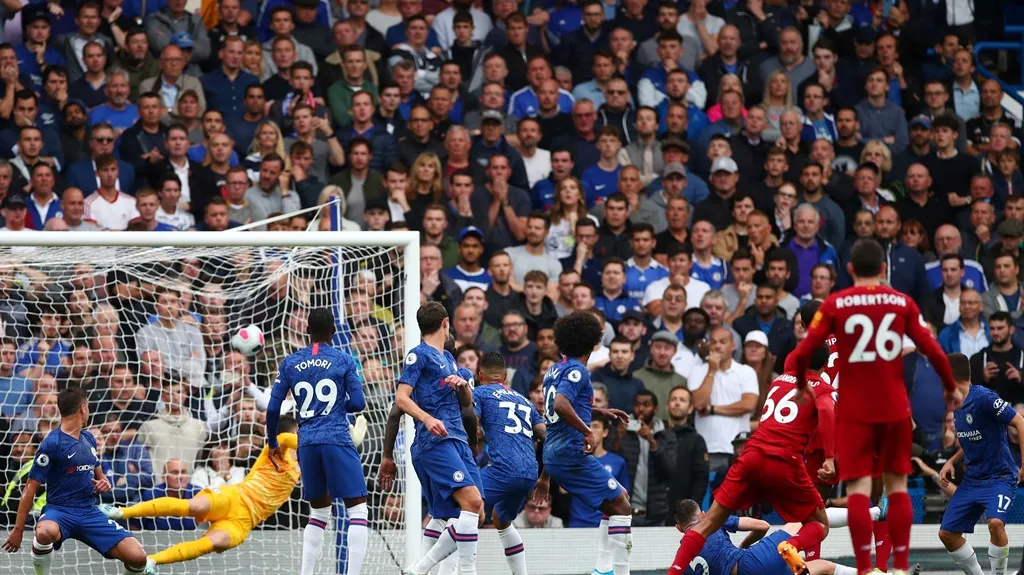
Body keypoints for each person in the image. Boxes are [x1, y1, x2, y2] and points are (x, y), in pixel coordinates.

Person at [788, 238, 961, 575]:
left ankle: (812, 564)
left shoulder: (836, 312)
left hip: (839, 420)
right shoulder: (899, 304)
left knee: (820, 502)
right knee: (888, 494)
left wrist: (797, 388)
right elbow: (929, 348)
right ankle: (889, 567)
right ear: (883, 269)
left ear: (850, 270)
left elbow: (802, 357)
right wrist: (950, 387)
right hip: (887, 414)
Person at [668, 344, 834, 575]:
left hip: (751, 454)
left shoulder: (779, 380)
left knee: (706, 526)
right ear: (825, 366)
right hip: (785, 459)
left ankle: (672, 572)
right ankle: (791, 546)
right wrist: (831, 457)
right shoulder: (823, 389)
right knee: (818, 524)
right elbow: (827, 412)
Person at [99, 416, 316, 571]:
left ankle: (152, 561)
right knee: (194, 507)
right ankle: (122, 512)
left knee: (214, 541)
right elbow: (286, 439)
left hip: (244, 522)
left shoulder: (302, 468)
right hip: (235, 498)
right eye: (301, 433)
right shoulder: (276, 451)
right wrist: (316, 442)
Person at [264, 308, 369, 575]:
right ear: (333, 331)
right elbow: (358, 403)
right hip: (336, 438)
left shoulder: (290, 362)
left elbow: (274, 408)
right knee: (357, 511)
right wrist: (336, 406)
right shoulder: (344, 360)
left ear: (307, 331)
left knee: (319, 512)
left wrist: (272, 441)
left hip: (307, 442)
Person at [1, 387, 149, 575]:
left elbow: (99, 473)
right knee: (45, 532)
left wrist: (104, 482)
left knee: (138, 558)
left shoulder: (88, 438)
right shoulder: (52, 443)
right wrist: (18, 530)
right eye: (88, 407)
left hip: (89, 512)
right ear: (83, 409)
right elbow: (30, 488)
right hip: (60, 511)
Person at [395, 302, 483, 575]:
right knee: (471, 502)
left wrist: (463, 385)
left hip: (458, 442)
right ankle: (426, 568)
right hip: (435, 442)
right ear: (445, 322)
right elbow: (401, 398)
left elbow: (466, 404)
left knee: (470, 514)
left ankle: (425, 568)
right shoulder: (419, 355)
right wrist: (427, 419)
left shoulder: (450, 360)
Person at [543, 311, 633, 573]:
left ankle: (604, 569)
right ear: (593, 342)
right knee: (623, 506)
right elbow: (560, 405)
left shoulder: (554, 368)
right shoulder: (577, 371)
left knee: (615, 502)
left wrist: (599, 412)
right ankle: (618, 570)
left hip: (553, 454)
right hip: (571, 455)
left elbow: (560, 404)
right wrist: (587, 431)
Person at [937, 353, 1024, 575]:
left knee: (995, 523)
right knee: (947, 534)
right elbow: (973, 439)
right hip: (973, 479)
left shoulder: (984, 398)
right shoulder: (956, 402)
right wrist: (951, 461)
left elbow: (1020, 422)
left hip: (1000, 476)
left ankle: (999, 574)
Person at [466, 353, 547, 574]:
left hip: (503, 469)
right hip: (530, 474)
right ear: (503, 376)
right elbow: (544, 436)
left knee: (465, 511)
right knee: (500, 519)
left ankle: (426, 567)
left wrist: (473, 444)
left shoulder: (480, 392)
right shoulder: (525, 401)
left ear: (479, 374)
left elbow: (471, 419)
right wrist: (545, 478)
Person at [669, 500, 858, 575]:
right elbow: (762, 526)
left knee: (820, 567)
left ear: (679, 528)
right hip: (751, 561)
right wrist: (744, 545)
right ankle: (873, 513)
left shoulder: (683, 558)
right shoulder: (711, 521)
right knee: (804, 519)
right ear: (702, 514)